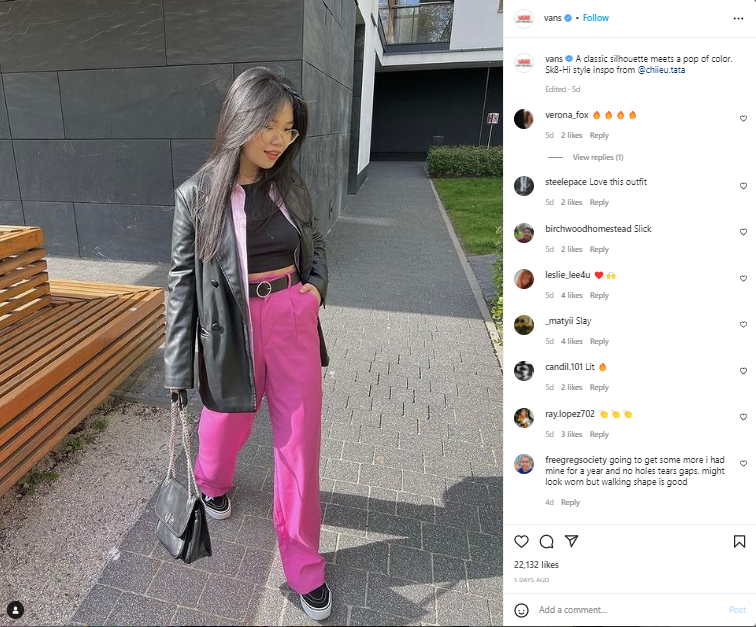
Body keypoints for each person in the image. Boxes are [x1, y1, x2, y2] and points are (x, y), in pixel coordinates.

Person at [163, 67, 332, 621]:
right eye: (269, 126)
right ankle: (212, 481)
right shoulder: (197, 196)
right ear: (240, 119)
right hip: (230, 325)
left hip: (291, 316)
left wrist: (315, 291)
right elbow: (180, 285)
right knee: (226, 420)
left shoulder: (290, 184)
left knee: (299, 445)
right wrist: (177, 369)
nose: (279, 139)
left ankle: (304, 567)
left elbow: (316, 243)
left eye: (288, 129)